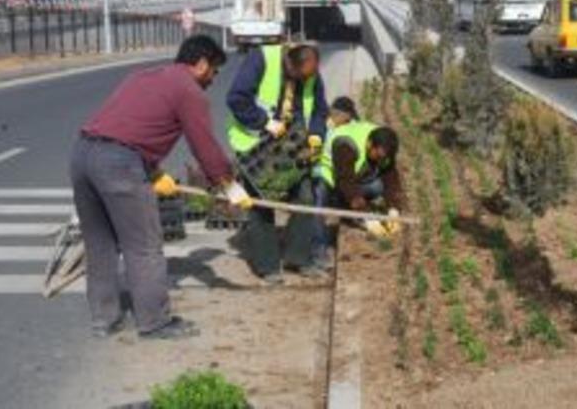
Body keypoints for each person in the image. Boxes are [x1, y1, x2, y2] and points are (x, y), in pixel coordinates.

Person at [71, 35, 251, 340]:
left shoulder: (144, 75)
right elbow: (203, 145)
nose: (213, 79)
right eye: (214, 71)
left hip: (82, 155)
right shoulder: (188, 90)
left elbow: (129, 122)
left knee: (100, 245)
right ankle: (154, 322)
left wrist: (151, 171)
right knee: (143, 246)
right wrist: (229, 185)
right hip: (119, 164)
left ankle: (105, 318)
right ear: (201, 64)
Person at [225, 43, 330, 282]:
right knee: (262, 204)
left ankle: (298, 258)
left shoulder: (311, 75)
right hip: (257, 144)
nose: (304, 80)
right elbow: (236, 98)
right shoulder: (261, 58)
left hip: (292, 145)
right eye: (298, 76)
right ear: (289, 64)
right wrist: (264, 122)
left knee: (305, 199)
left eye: (308, 77)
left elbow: (319, 111)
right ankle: (268, 266)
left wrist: (316, 134)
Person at [311, 123, 406, 273]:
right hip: (327, 173)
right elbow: (345, 181)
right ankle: (318, 252)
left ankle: (346, 207)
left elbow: (391, 178)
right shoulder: (346, 145)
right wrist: (367, 216)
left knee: (377, 186)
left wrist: (393, 209)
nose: (381, 160)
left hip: (350, 174)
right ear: (370, 145)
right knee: (317, 204)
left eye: (384, 157)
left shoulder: (383, 144)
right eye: (379, 156)